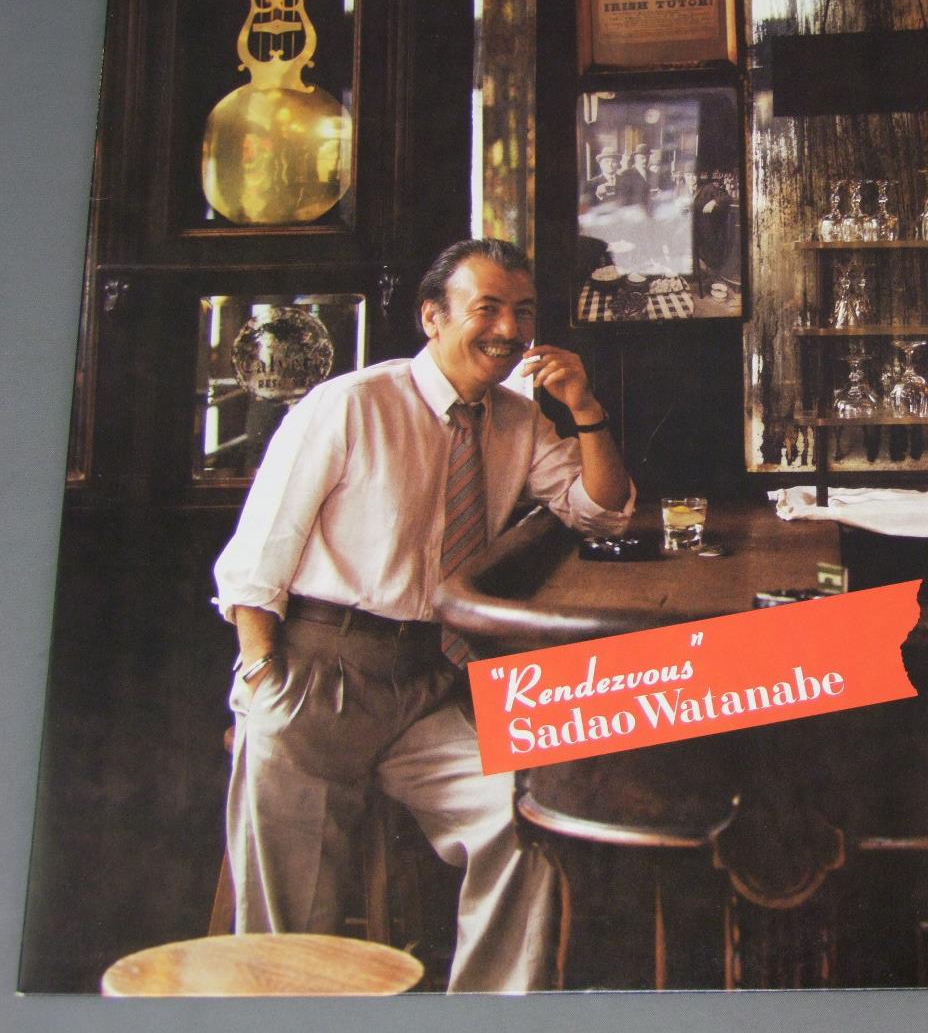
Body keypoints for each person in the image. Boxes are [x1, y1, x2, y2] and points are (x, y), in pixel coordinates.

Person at [213, 238, 635, 991]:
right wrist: (263, 681)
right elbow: (256, 560)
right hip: (317, 672)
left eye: (524, 312)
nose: (509, 330)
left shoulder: (517, 420)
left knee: (524, 821)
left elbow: (601, 512)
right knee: (291, 921)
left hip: (427, 680)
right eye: (488, 309)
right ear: (432, 317)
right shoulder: (350, 404)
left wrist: (584, 408)